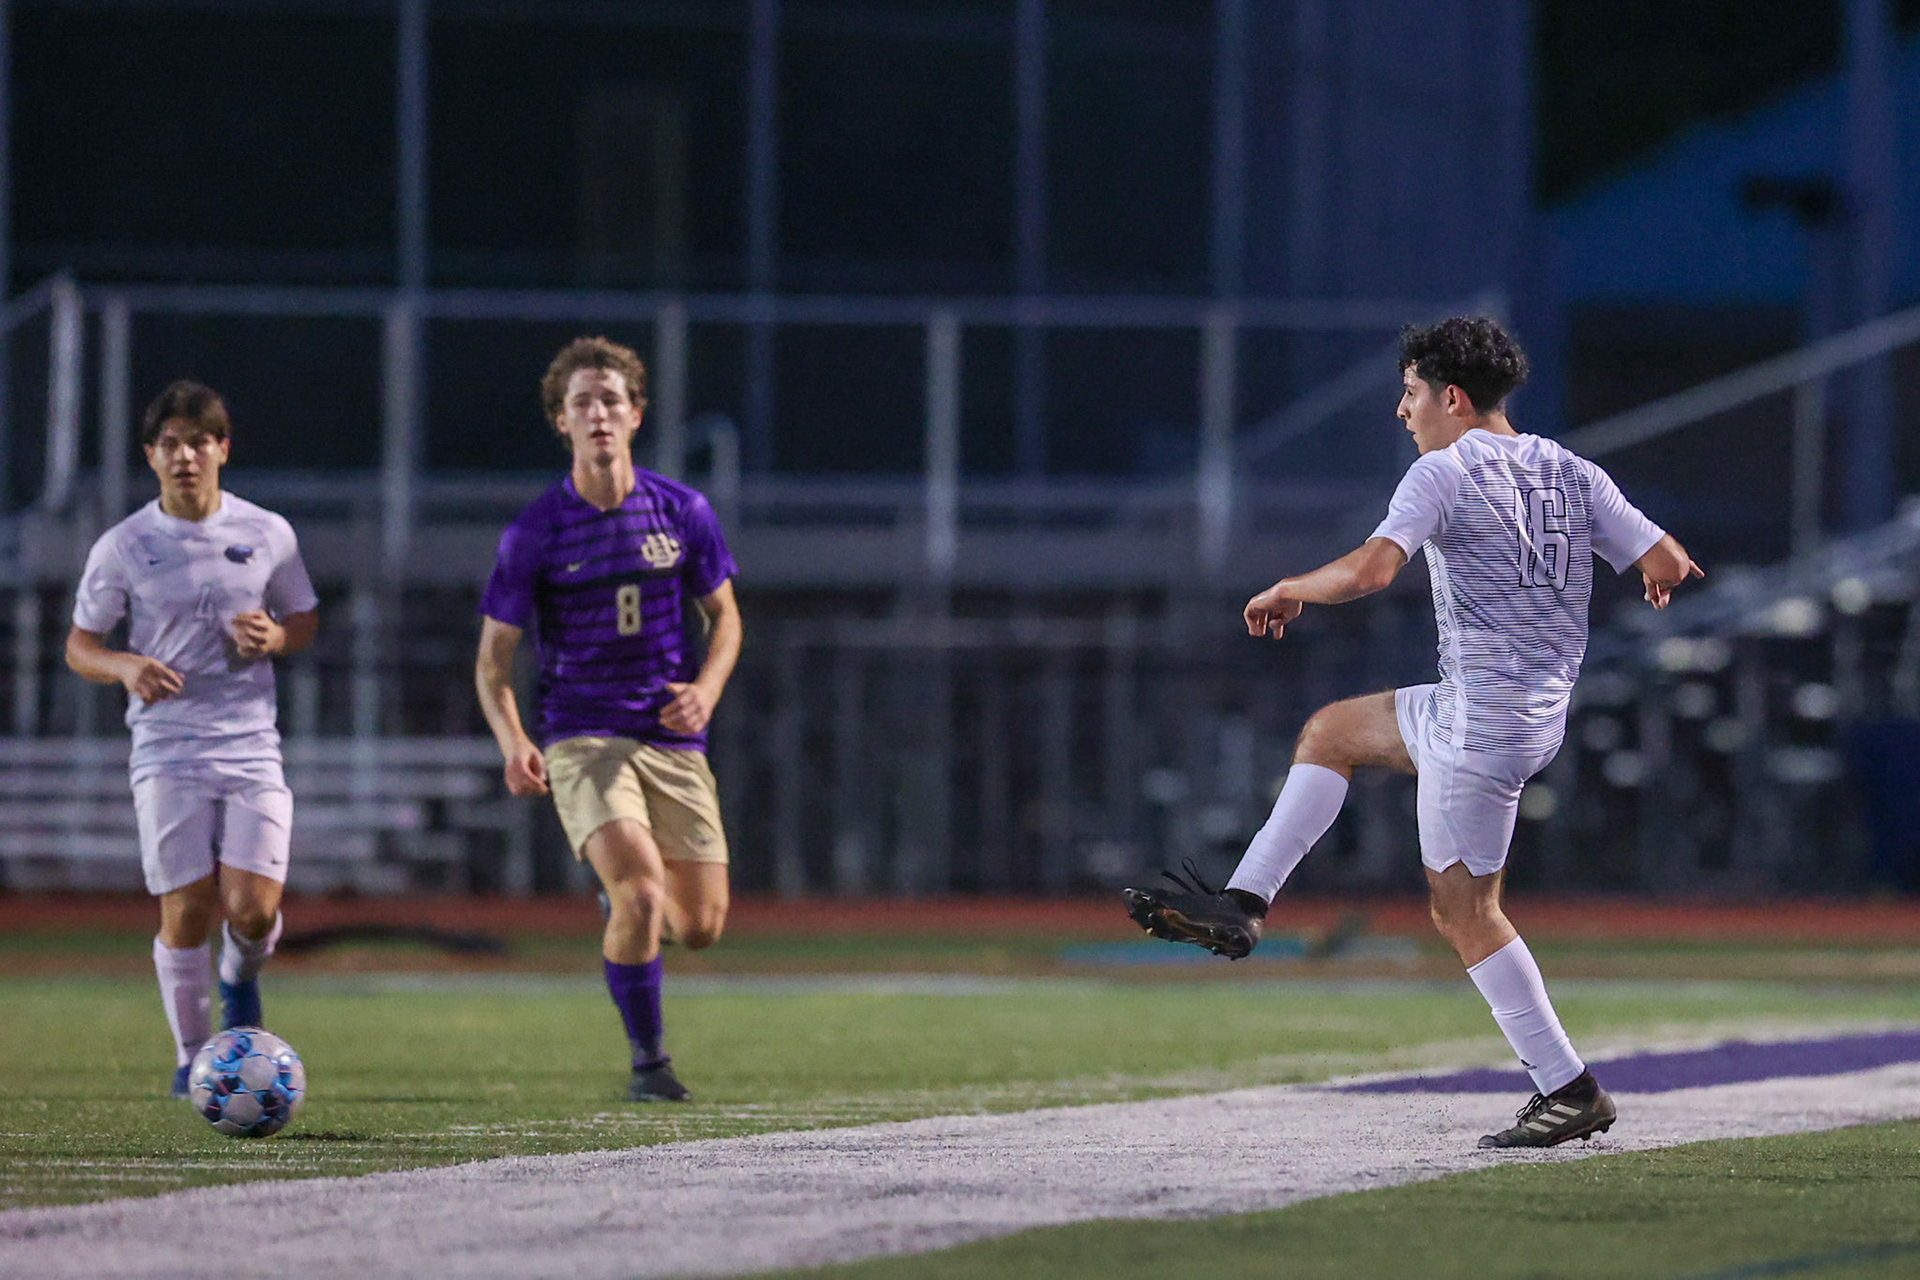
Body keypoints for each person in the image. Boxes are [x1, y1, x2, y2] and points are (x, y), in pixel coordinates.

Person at [1124, 316, 1703, 1148]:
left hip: (1482, 727)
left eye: (1410, 393)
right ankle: (1243, 903)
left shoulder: (1445, 469)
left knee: (1466, 914)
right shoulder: (1574, 472)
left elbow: (1371, 571)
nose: (1403, 411)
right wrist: (1664, 575)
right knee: (1332, 732)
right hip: (1514, 710)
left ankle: (1569, 1088)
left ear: (1453, 398)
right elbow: (1665, 561)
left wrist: (1292, 586)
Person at [475, 335, 742, 1103]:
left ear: (637, 415)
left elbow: (725, 619)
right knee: (641, 896)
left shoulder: (682, 510)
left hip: (672, 735)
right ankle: (649, 1065)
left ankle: (624, 907)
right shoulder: (535, 533)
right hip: (583, 735)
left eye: (611, 400)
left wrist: (708, 689)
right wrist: (516, 739)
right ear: (562, 421)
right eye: (582, 402)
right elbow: (493, 660)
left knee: (700, 927)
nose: (599, 413)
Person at [66, 380, 320, 1099]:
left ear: (223, 449)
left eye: (199, 441)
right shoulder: (125, 546)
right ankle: (191, 1058)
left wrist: (276, 635)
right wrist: (124, 665)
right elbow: (80, 646)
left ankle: (241, 978)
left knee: (253, 909)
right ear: (151, 456)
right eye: (171, 444)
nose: (186, 455)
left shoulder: (267, 531)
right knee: (186, 908)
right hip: (167, 747)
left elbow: (304, 617)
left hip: (249, 744)